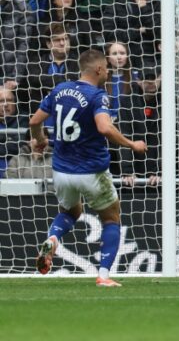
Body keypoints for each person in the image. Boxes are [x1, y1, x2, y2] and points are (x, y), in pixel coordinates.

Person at [29, 49, 146, 287]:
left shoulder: (60, 89)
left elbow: (33, 121)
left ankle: (53, 238)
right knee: (111, 218)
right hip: (92, 171)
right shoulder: (97, 96)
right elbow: (104, 128)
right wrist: (131, 143)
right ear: (100, 70)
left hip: (61, 171)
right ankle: (103, 275)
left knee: (70, 212)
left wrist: (40, 140)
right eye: (107, 69)